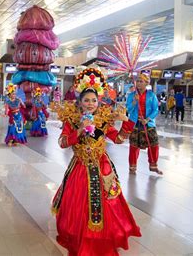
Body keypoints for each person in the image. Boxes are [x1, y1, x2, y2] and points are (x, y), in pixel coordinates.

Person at [52, 67, 140, 256]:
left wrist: (126, 122)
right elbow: (62, 142)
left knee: (107, 204)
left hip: (102, 167)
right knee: (78, 206)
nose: (91, 104)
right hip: (80, 167)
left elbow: (118, 140)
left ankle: (102, 236)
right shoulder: (72, 120)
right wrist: (80, 130)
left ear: (99, 101)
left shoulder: (103, 120)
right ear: (80, 102)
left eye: (94, 100)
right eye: (86, 100)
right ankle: (79, 235)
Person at [126, 74, 163, 175]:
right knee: (134, 146)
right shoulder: (131, 95)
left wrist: (147, 119)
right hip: (135, 122)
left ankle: (153, 165)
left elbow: (155, 110)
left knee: (154, 144)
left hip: (148, 123)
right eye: (137, 81)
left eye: (141, 81)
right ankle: (132, 167)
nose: (138, 83)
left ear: (147, 83)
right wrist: (134, 102)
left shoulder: (152, 95)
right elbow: (128, 109)